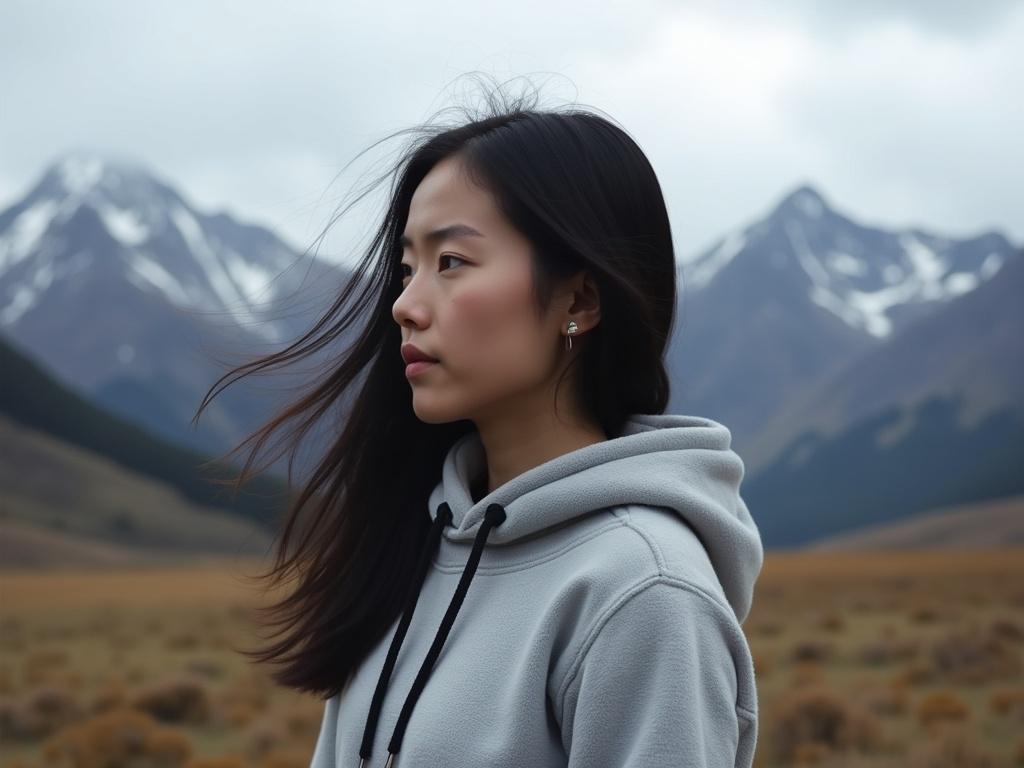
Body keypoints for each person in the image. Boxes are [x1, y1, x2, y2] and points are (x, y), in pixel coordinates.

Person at [198, 74, 763, 767]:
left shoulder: (642, 591)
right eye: (407, 269)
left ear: (578, 300)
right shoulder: (412, 544)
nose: (405, 304)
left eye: (452, 261)